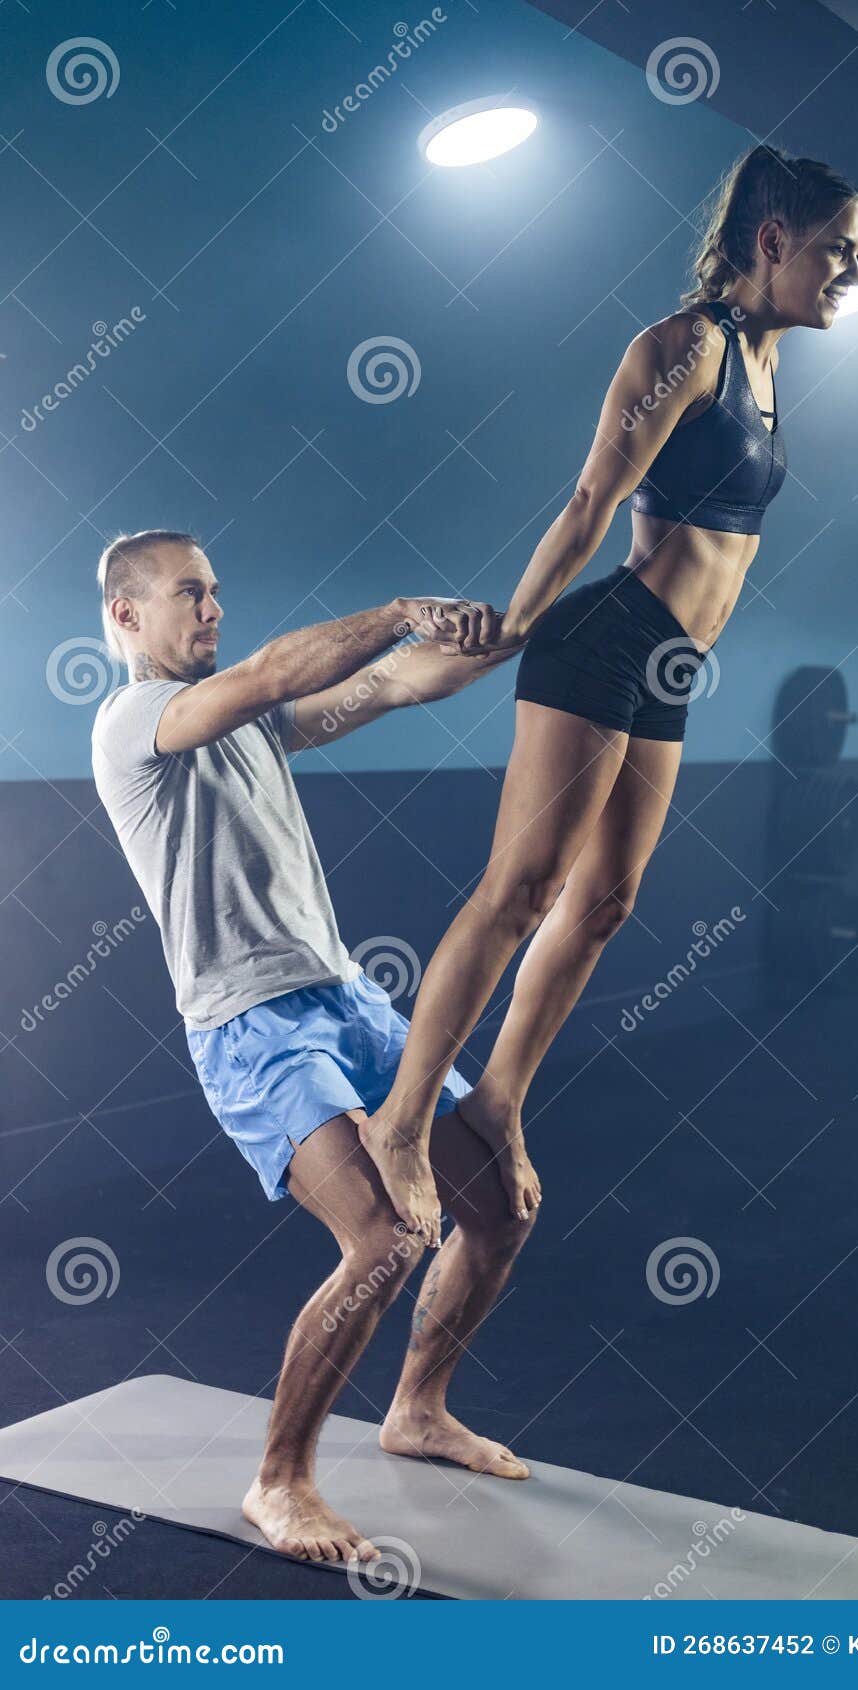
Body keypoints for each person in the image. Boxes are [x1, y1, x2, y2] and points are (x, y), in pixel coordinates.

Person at [359, 143, 858, 1246]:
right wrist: (517, 622)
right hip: (605, 638)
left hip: (669, 667)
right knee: (525, 885)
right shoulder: (684, 346)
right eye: (836, 252)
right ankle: (399, 1119)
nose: (849, 277)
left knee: (603, 904)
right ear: (771, 240)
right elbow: (593, 497)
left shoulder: (770, 370)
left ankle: (493, 1101)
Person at [91, 530, 538, 1566]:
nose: (211, 608)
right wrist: (395, 607)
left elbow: (390, 686)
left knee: (502, 1205)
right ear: (127, 616)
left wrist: (524, 626)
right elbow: (279, 670)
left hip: (347, 998)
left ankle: (416, 1409)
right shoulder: (134, 721)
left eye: (216, 591)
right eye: (189, 594)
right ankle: (278, 1480)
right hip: (250, 1025)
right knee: (385, 1234)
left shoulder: (255, 723)